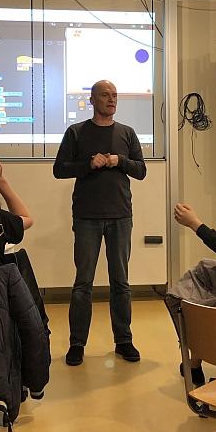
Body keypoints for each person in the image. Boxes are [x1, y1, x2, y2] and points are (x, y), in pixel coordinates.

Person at [53, 79, 147, 366]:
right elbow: (59, 169)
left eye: (114, 95)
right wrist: (88, 164)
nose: (111, 99)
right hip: (87, 218)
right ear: (92, 100)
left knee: (121, 283)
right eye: (105, 95)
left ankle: (124, 341)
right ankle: (77, 344)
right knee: (83, 283)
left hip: (121, 216)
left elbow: (141, 170)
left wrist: (120, 161)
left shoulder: (127, 133)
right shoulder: (76, 132)